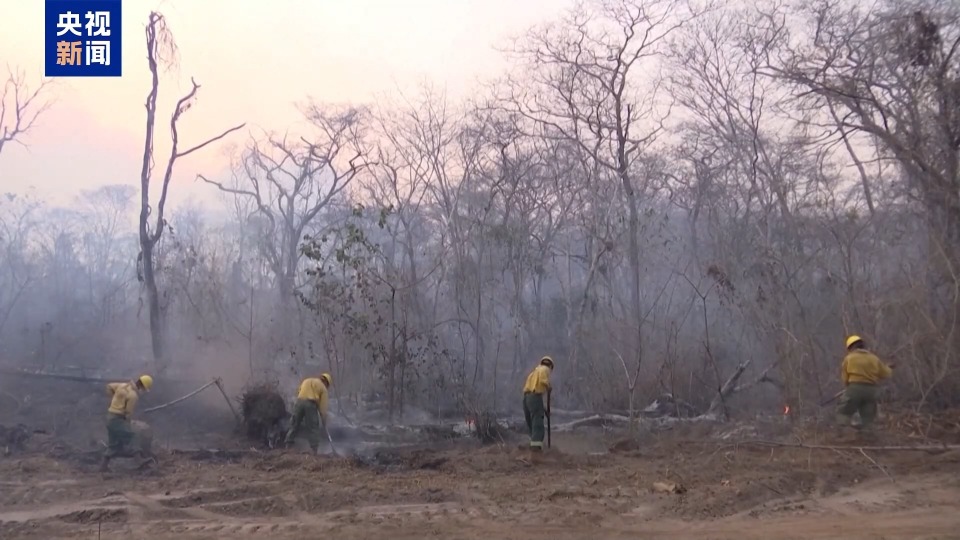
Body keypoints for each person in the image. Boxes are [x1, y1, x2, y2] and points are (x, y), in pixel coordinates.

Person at [837, 335, 893, 432]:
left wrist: (849, 388)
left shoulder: (849, 358)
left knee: (844, 412)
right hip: (871, 390)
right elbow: (885, 374)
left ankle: (844, 434)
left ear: (850, 347)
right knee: (868, 416)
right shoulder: (874, 358)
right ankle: (867, 438)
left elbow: (845, 377)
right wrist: (889, 368)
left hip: (854, 388)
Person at [100, 375, 153, 472]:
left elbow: (109, 386)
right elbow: (128, 413)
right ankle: (138, 460)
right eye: (144, 389)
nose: (143, 392)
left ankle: (103, 467)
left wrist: (115, 400)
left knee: (113, 444)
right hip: (118, 419)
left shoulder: (122, 386)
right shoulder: (133, 395)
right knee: (133, 436)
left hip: (109, 417)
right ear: (142, 387)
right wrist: (128, 424)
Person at [284, 373, 332, 453]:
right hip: (310, 404)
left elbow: (298, 391)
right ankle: (314, 449)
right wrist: (323, 418)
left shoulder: (307, 380)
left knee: (294, 423)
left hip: (299, 402)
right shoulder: (323, 388)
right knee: (313, 427)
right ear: (327, 382)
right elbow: (323, 406)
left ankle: (288, 444)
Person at [522, 356, 554, 451]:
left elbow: (534, 403)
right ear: (550, 366)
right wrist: (548, 386)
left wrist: (543, 410)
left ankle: (532, 443)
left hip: (526, 398)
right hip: (534, 397)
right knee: (538, 423)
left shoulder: (534, 372)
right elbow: (543, 381)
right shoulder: (545, 369)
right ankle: (536, 448)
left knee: (532, 422)